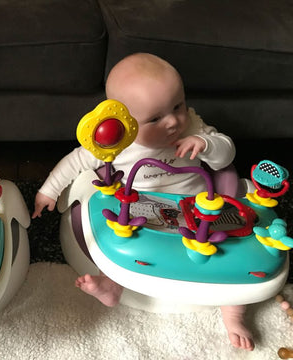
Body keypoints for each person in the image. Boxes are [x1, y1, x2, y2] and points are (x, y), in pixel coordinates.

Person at [32, 53, 254, 351]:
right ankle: (112, 285)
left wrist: (205, 144)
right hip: (141, 207)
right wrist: (48, 191)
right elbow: (75, 162)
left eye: (178, 106)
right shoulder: (117, 142)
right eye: (155, 118)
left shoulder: (193, 128)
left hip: (197, 204)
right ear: (124, 121)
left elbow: (226, 154)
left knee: (232, 249)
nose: (174, 121)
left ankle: (233, 312)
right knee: (123, 238)